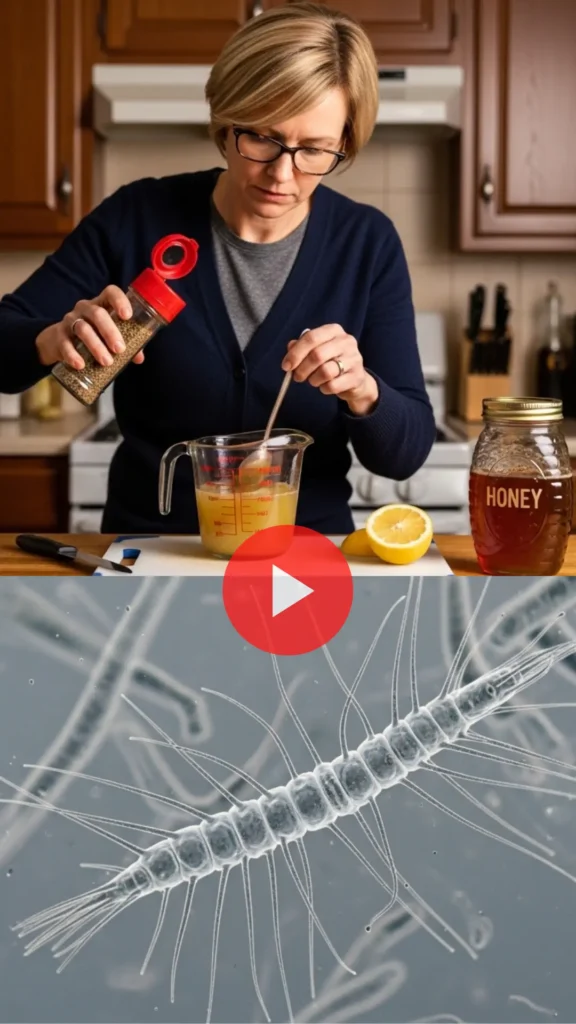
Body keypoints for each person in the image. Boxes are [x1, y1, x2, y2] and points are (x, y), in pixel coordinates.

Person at [0, 1, 436, 537]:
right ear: (225, 120)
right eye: (261, 138)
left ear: (343, 143)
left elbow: (406, 453)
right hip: (149, 555)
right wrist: (53, 339)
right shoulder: (136, 218)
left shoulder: (367, 244)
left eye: (315, 151)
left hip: (305, 565)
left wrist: (363, 389)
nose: (282, 174)